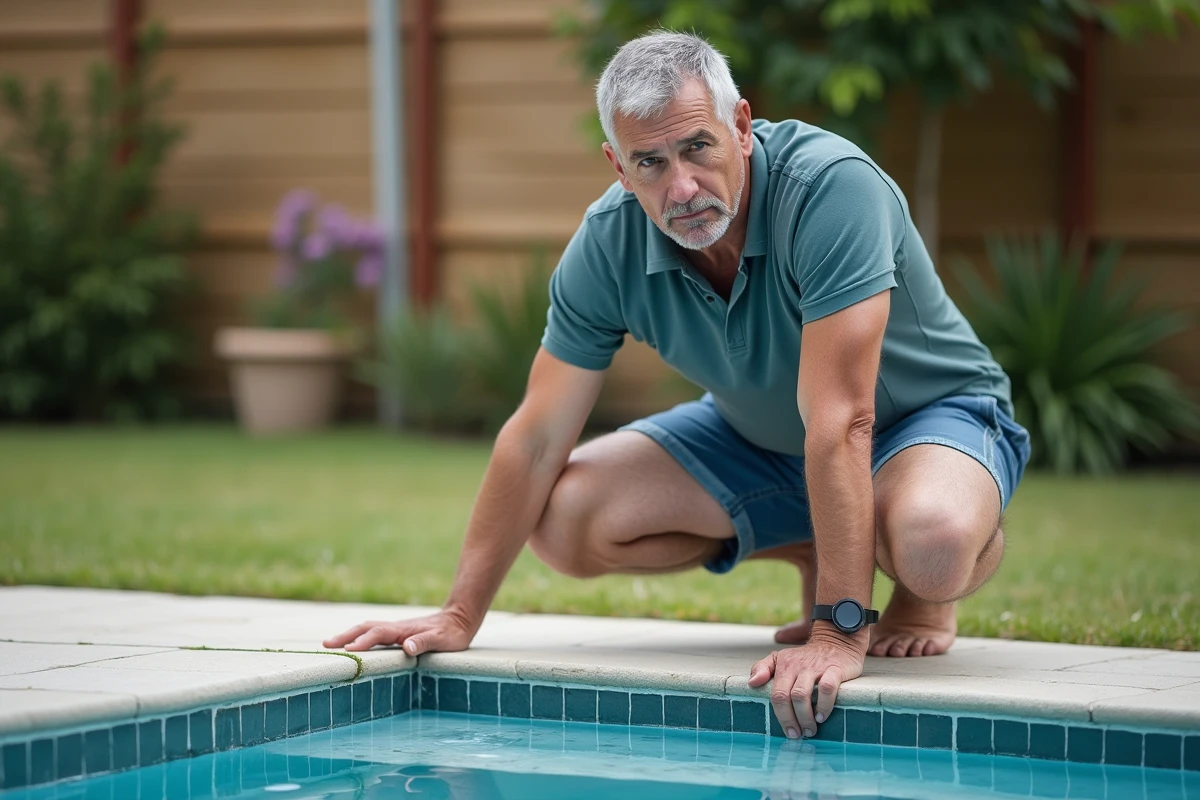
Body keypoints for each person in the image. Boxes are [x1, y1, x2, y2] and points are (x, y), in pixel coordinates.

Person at [325, 30, 1030, 740]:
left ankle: (914, 579)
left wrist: (838, 631)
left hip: (924, 420)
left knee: (932, 543)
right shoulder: (608, 244)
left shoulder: (831, 189)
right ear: (619, 167)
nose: (682, 187)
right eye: (651, 163)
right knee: (567, 519)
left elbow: (844, 418)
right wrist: (458, 614)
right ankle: (827, 540)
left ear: (743, 127)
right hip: (762, 437)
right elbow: (537, 435)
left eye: (698, 147)